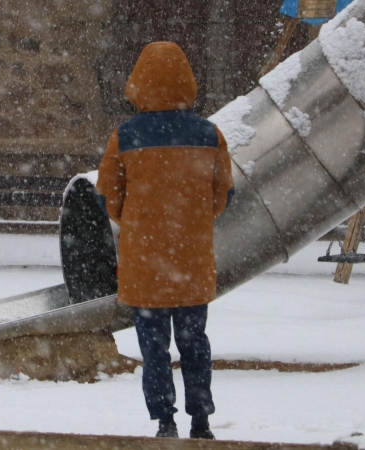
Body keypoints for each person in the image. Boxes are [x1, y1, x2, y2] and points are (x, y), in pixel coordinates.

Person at [96, 41, 234, 439]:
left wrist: (140, 224)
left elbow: (110, 196)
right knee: (195, 344)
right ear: (187, 82)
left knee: (153, 349)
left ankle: (164, 420)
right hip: (191, 261)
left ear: (138, 83)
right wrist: (189, 221)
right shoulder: (209, 134)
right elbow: (220, 193)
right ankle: (201, 419)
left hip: (144, 265)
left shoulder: (125, 136)